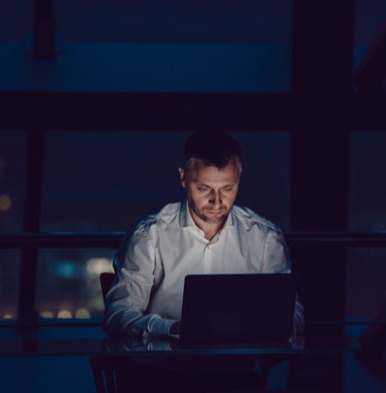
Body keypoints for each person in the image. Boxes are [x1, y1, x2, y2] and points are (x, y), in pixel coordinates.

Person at [102, 128, 304, 340]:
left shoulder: (265, 239)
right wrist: (172, 329)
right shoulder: (149, 236)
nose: (217, 202)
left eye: (227, 188)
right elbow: (118, 315)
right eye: (204, 188)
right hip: (163, 366)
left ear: (239, 176)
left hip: (239, 368)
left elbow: (294, 313)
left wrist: (268, 327)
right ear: (183, 177)